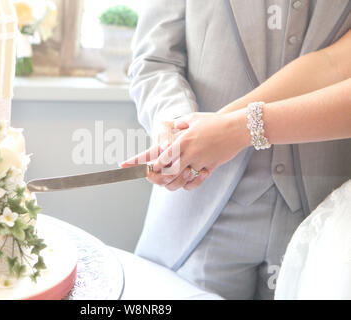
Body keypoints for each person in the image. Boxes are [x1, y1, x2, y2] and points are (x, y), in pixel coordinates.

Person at [122, 0, 351, 299]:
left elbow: (334, 66)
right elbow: (155, 61)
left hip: (322, 215)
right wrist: (184, 129)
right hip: (203, 212)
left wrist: (229, 129)